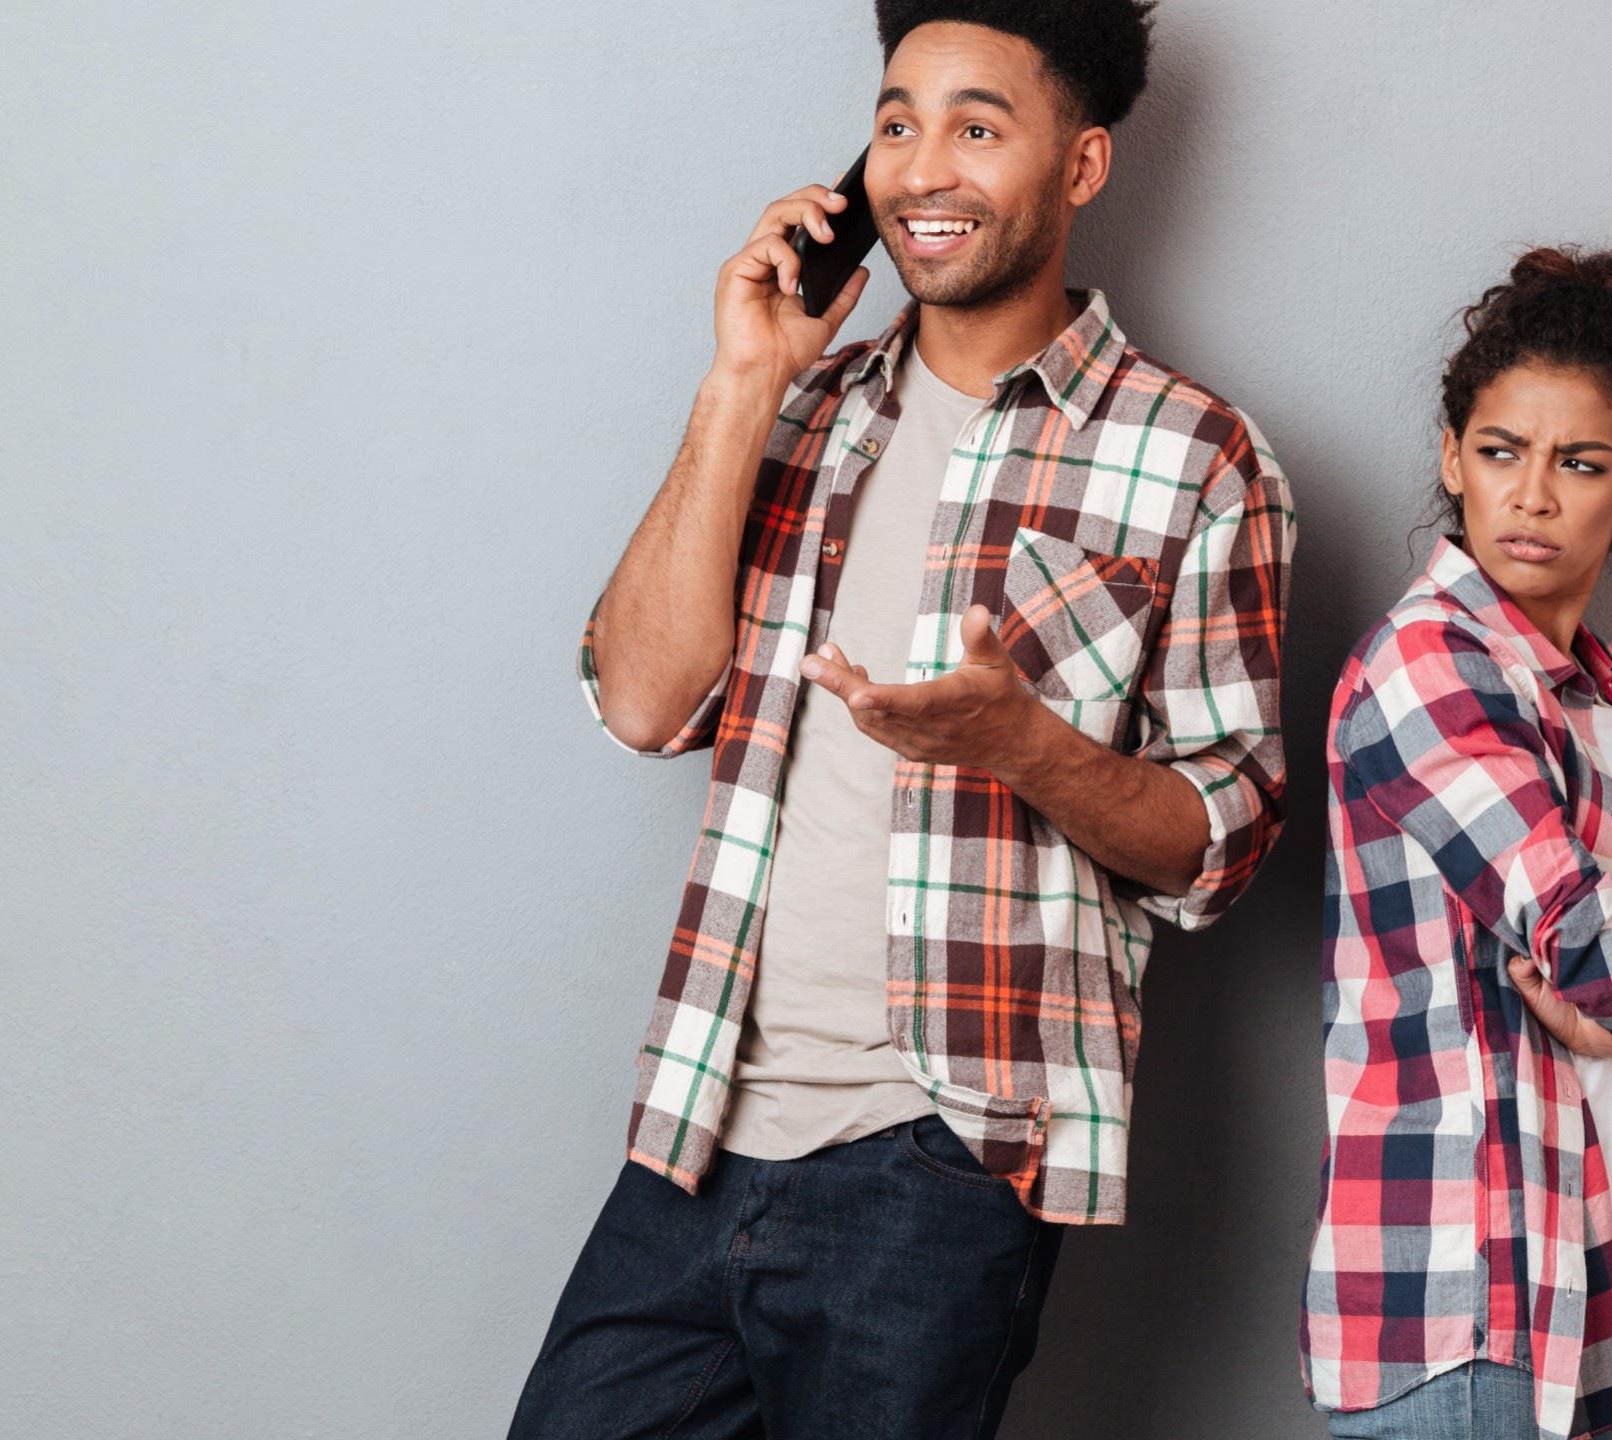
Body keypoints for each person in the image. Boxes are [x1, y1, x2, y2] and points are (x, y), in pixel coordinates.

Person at [509, 2, 1295, 1435]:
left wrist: (1024, 746)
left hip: (933, 1167)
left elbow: (1220, 843)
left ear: (1083, 165)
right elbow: (639, 701)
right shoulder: (802, 415)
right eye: (894, 121)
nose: (921, 167)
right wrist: (744, 378)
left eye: (978, 127)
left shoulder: (1195, 459)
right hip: (698, 1126)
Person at [1303, 247, 1612, 1440]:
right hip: (1466, 1299)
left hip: (1591, 1279)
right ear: (1454, 458)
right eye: (1501, 452)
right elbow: (1590, 938)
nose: (1533, 495)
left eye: (1580, 463)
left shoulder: (1596, 692)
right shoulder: (1427, 661)